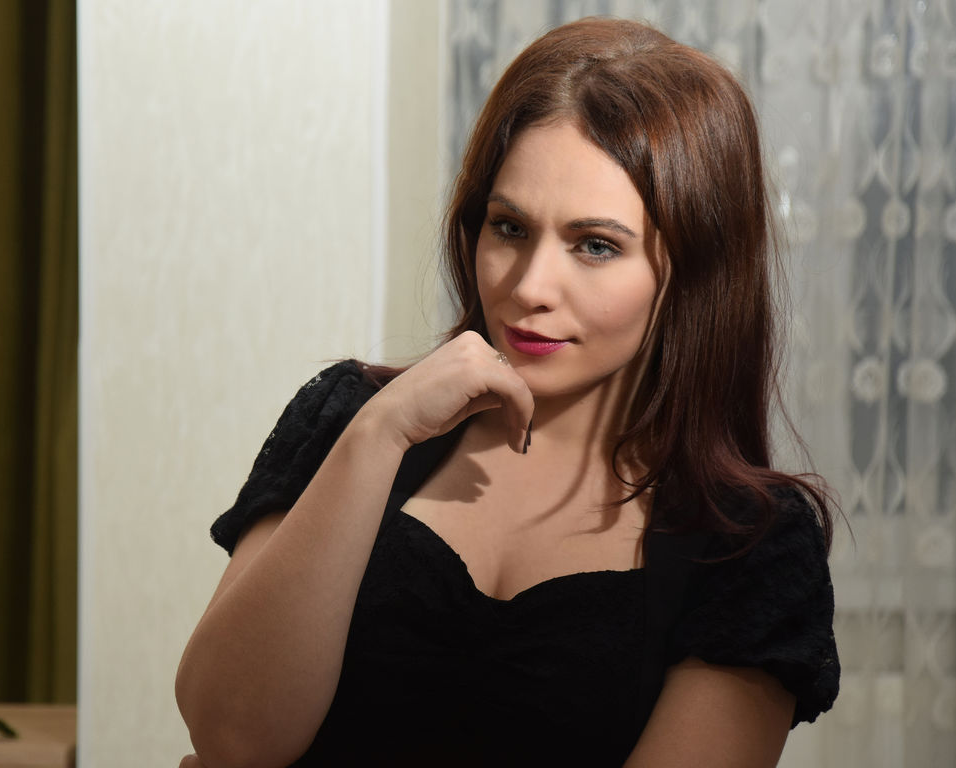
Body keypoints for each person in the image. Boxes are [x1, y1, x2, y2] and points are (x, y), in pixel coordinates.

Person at [175, 16, 839, 768]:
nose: (529, 287)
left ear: (694, 271)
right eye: (510, 228)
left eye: (595, 245)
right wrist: (378, 435)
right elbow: (231, 736)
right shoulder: (348, 419)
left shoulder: (751, 546)